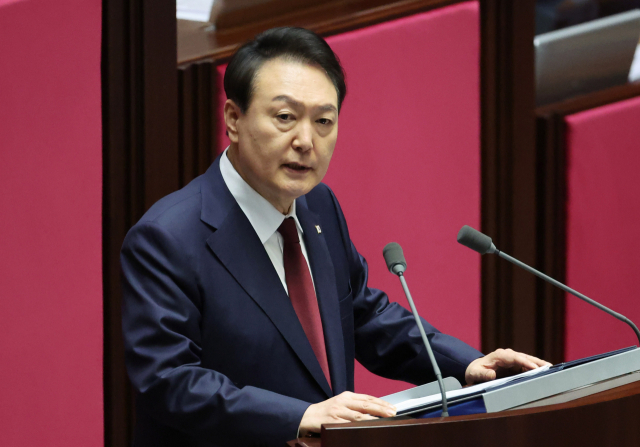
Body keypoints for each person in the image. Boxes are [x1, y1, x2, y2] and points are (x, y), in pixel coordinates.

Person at [121, 27, 549, 447]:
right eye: (285, 118)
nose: (306, 141)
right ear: (234, 119)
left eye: (323, 121)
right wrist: (298, 417)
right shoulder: (168, 238)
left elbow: (363, 315)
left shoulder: (318, 204)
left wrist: (470, 365)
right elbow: (168, 380)